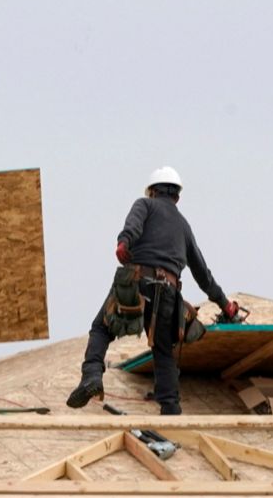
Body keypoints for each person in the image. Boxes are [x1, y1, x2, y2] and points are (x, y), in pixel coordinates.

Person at [67, 167, 239, 415]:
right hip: (168, 291)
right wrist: (226, 305)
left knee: (101, 328)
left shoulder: (144, 205)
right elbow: (203, 274)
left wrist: (123, 243)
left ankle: (92, 376)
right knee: (162, 350)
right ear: (177, 196)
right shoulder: (184, 226)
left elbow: (132, 226)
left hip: (137, 281)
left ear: (151, 191)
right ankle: (171, 410)